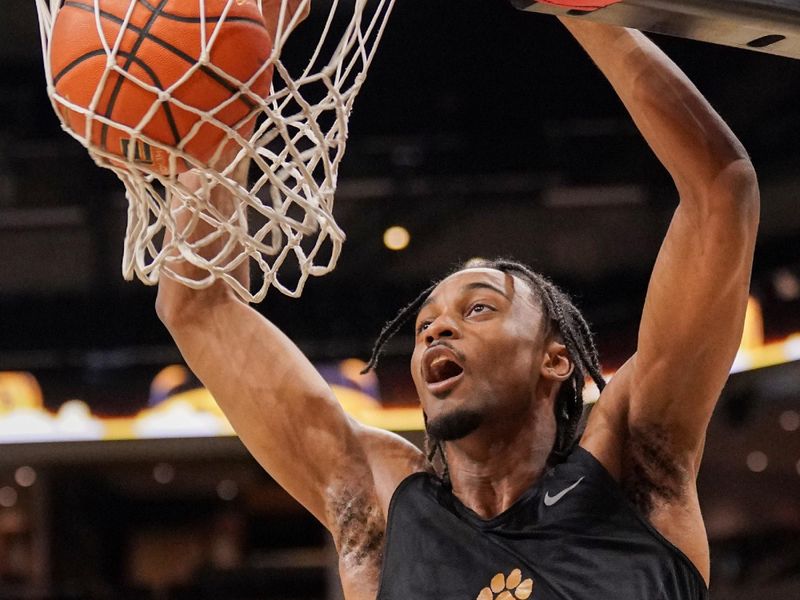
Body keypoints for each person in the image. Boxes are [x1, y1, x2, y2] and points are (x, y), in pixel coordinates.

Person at [156, 10, 759, 600]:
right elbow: (195, 306)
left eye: (478, 309)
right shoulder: (385, 508)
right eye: (423, 328)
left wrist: (584, 11)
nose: (437, 329)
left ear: (556, 361)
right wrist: (222, 85)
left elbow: (721, 189)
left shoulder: (629, 466)